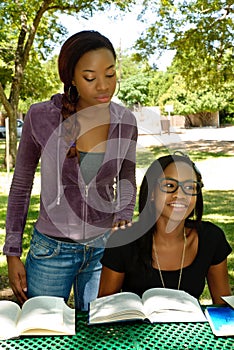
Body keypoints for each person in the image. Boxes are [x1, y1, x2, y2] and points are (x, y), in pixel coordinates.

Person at [3, 30, 138, 310]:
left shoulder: (125, 120)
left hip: (104, 250)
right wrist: (12, 252)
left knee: (101, 335)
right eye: (90, 77)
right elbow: (21, 185)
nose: (103, 86)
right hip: (51, 252)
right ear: (72, 78)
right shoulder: (40, 116)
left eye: (110, 74)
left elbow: (127, 177)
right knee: (44, 334)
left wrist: (124, 216)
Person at [98, 153, 232, 304]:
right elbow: (105, 309)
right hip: (135, 327)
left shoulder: (211, 239)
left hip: (190, 326)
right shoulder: (124, 240)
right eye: (169, 186)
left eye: (189, 187)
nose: (180, 195)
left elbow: (223, 308)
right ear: (152, 193)